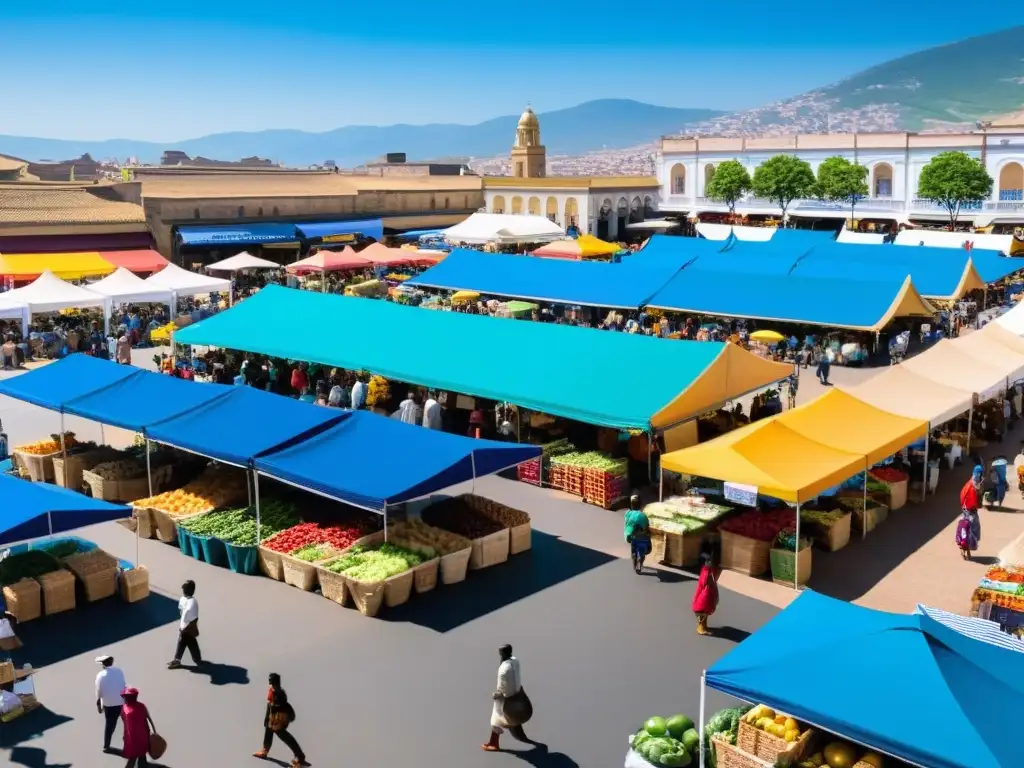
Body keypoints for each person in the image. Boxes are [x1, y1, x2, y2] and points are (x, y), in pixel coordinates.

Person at [253, 673, 309, 767]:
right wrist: (267, 718)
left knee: (286, 737)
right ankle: (265, 751)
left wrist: (283, 720)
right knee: (268, 733)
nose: (271, 685)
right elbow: (269, 705)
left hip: (278, 720)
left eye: (272, 682)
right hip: (272, 719)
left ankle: (300, 757)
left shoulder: (280, 694)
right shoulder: (271, 691)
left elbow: (284, 707)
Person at [482, 644, 531, 751]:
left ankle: (493, 744)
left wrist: (498, 695)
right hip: (518, 692)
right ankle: (518, 731)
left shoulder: (505, 670)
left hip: (506, 698)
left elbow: (505, 687)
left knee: (496, 719)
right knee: (513, 715)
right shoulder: (515, 661)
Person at [96, 655, 127, 753]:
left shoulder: (100, 675)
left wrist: (99, 706)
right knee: (127, 724)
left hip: (109, 704)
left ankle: (106, 746)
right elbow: (123, 685)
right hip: (121, 702)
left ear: (103, 665)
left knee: (110, 725)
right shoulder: (119, 671)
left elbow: (99, 692)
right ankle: (129, 745)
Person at [167, 580, 201, 669]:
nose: (183, 590)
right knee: (190, 641)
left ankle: (177, 660)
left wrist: (185, 626)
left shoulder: (193, 602)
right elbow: (181, 611)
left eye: (185, 589)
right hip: (185, 625)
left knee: (182, 641)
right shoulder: (184, 599)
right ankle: (197, 658)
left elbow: (187, 614)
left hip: (189, 626)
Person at [120, 687, 156, 768]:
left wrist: (125, 736)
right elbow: (149, 719)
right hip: (143, 736)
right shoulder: (141, 706)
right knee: (141, 756)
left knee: (132, 759)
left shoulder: (124, 708)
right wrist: (154, 731)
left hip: (131, 738)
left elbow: (125, 723)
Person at [691, 552, 719, 635]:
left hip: (702, 599)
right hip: (703, 600)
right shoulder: (707, 573)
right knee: (702, 614)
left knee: (704, 614)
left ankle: (703, 626)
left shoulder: (706, 571)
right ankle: (701, 628)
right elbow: (707, 583)